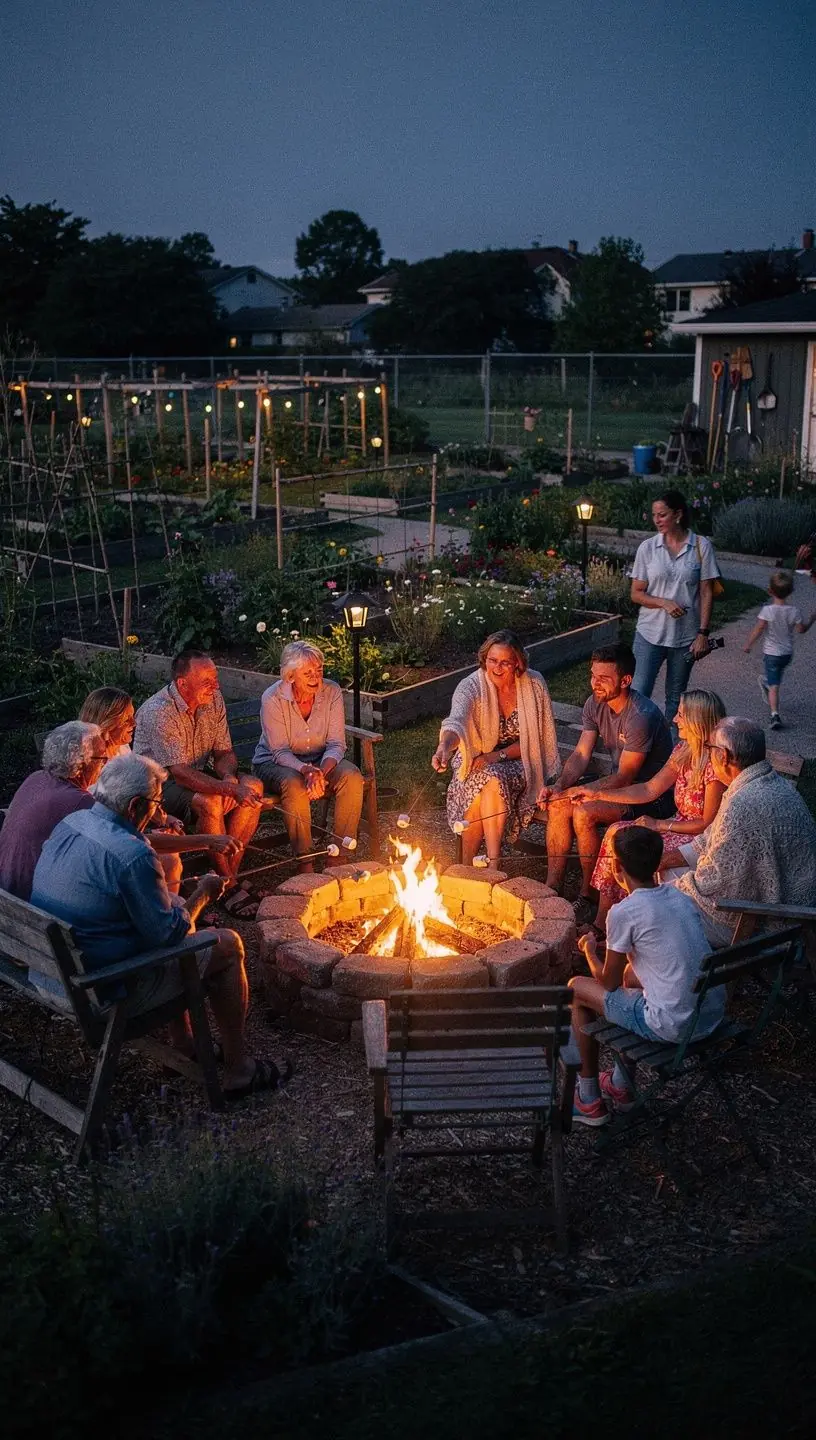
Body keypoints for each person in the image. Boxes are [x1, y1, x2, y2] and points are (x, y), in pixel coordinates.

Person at [29, 754, 285, 1098]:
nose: (158, 813)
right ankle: (240, 1070)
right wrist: (203, 894)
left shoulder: (72, 823)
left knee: (174, 911)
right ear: (135, 805)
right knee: (227, 944)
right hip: (98, 992)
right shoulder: (132, 855)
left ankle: (183, 1042)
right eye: (156, 803)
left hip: (50, 974)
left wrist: (184, 894)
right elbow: (168, 935)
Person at [569, 826, 724, 1127]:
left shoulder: (624, 912)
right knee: (631, 974)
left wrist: (589, 950)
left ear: (616, 867)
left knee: (576, 988)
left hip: (674, 1025)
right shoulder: (681, 897)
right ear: (656, 862)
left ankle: (588, 1100)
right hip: (709, 1015)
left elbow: (607, 983)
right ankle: (620, 1084)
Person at [571, 689, 726, 936]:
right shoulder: (684, 751)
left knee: (635, 849)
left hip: (696, 839)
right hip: (677, 826)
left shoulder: (715, 765)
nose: (675, 719)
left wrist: (661, 825)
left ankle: (631, 922)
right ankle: (605, 921)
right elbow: (649, 789)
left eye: (681, 715)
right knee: (617, 833)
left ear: (698, 721)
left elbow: (708, 823)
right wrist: (597, 794)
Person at [660, 717, 816, 947]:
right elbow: (708, 840)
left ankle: (657, 970)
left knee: (657, 904)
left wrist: (659, 892)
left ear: (723, 756)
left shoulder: (743, 804)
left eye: (710, 748)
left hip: (768, 921)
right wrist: (663, 860)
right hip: (788, 906)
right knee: (665, 873)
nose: (709, 755)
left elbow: (716, 884)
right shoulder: (765, 782)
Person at [539, 643, 673, 898]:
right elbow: (581, 754)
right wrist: (560, 786)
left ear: (625, 680)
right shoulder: (595, 703)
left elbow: (626, 776)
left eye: (603, 678)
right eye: (593, 675)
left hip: (650, 795)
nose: (594, 683)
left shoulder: (640, 717)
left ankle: (587, 893)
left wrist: (585, 791)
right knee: (558, 804)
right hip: (620, 787)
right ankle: (552, 888)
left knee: (584, 813)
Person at [133, 652, 263, 909]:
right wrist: (226, 789)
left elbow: (224, 752)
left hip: (198, 771)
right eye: (207, 681)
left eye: (215, 679)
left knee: (254, 787)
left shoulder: (213, 700)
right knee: (210, 802)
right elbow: (179, 772)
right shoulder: (159, 711)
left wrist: (228, 777)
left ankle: (225, 880)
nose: (216, 686)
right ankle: (229, 885)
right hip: (158, 785)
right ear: (183, 684)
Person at [81, 685, 242, 889]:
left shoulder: (121, 748)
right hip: (105, 838)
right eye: (127, 719)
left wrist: (164, 818)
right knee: (169, 860)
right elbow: (109, 825)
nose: (135, 722)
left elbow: (136, 798)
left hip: (127, 827)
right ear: (107, 722)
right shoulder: (93, 766)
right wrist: (207, 839)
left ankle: (179, 899)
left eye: (133, 715)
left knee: (171, 840)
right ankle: (174, 912)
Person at [432, 630, 560, 868]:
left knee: (491, 779)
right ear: (484, 659)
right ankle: (481, 865)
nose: (497, 668)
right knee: (486, 783)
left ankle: (479, 865)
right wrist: (444, 747)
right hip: (476, 758)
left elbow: (536, 742)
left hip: (522, 760)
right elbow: (456, 721)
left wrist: (496, 756)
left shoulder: (534, 684)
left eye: (505, 662)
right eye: (492, 661)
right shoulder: (471, 686)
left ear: (518, 663)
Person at [251, 641, 364, 872]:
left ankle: (339, 856)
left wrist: (319, 771)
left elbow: (336, 743)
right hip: (276, 762)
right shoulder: (272, 698)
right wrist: (306, 771)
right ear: (291, 676)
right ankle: (305, 862)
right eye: (308, 673)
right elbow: (279, 750)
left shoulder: (331, 692)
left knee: (351, 776)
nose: (316, 677)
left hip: (320, 760)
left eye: (319, 670)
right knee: (294, 785)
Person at [630, 489, 721, 729]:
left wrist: (703, 633)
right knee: (638, 695)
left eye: (662, 514)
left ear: (678, 514)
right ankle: (635, 745)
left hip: (685, 638)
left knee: (676, 699)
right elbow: (636, 593)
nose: (656, 520)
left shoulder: (701, 546)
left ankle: (671, 755)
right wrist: (663, 602)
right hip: (649, 634)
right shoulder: (647, 548)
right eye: (654, 515)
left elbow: (706, 592)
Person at [0, 722, 107, 901]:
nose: (105, 764)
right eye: (102, 758)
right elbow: (117, 847)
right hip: (31, 897)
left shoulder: (35, 778)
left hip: (6, 887)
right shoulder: (80, 801)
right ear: (82, 763)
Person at [743, 570, 815, 731]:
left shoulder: (767, 611)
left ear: (770, 590)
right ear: (790, 592)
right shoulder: (794, 611)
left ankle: (774, 714)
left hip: (771, 653)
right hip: (786, 654)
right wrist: (811, 619)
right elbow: (801, 629)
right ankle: (768, 682)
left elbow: (759, 629)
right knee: (775, 678)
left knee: (774, 685)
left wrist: (748, 643)